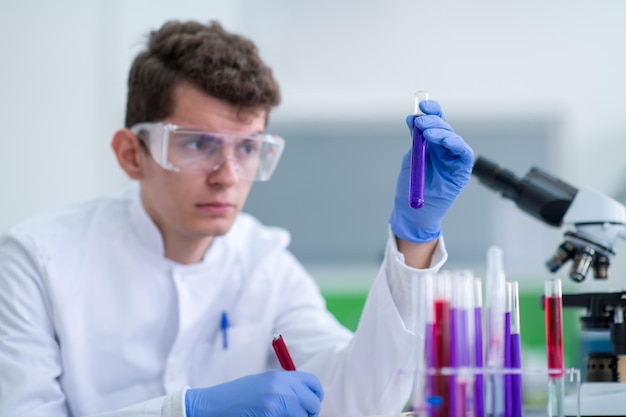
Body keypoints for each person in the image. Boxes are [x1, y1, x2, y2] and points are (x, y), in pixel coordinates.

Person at [0, 20, 473, 417]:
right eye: (198, 143)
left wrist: (414, 240)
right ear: (131, 154)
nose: (227, 176)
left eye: (248, 148)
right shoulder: (36, 261)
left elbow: (360, 398)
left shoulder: (263, 262)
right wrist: (183, 411)